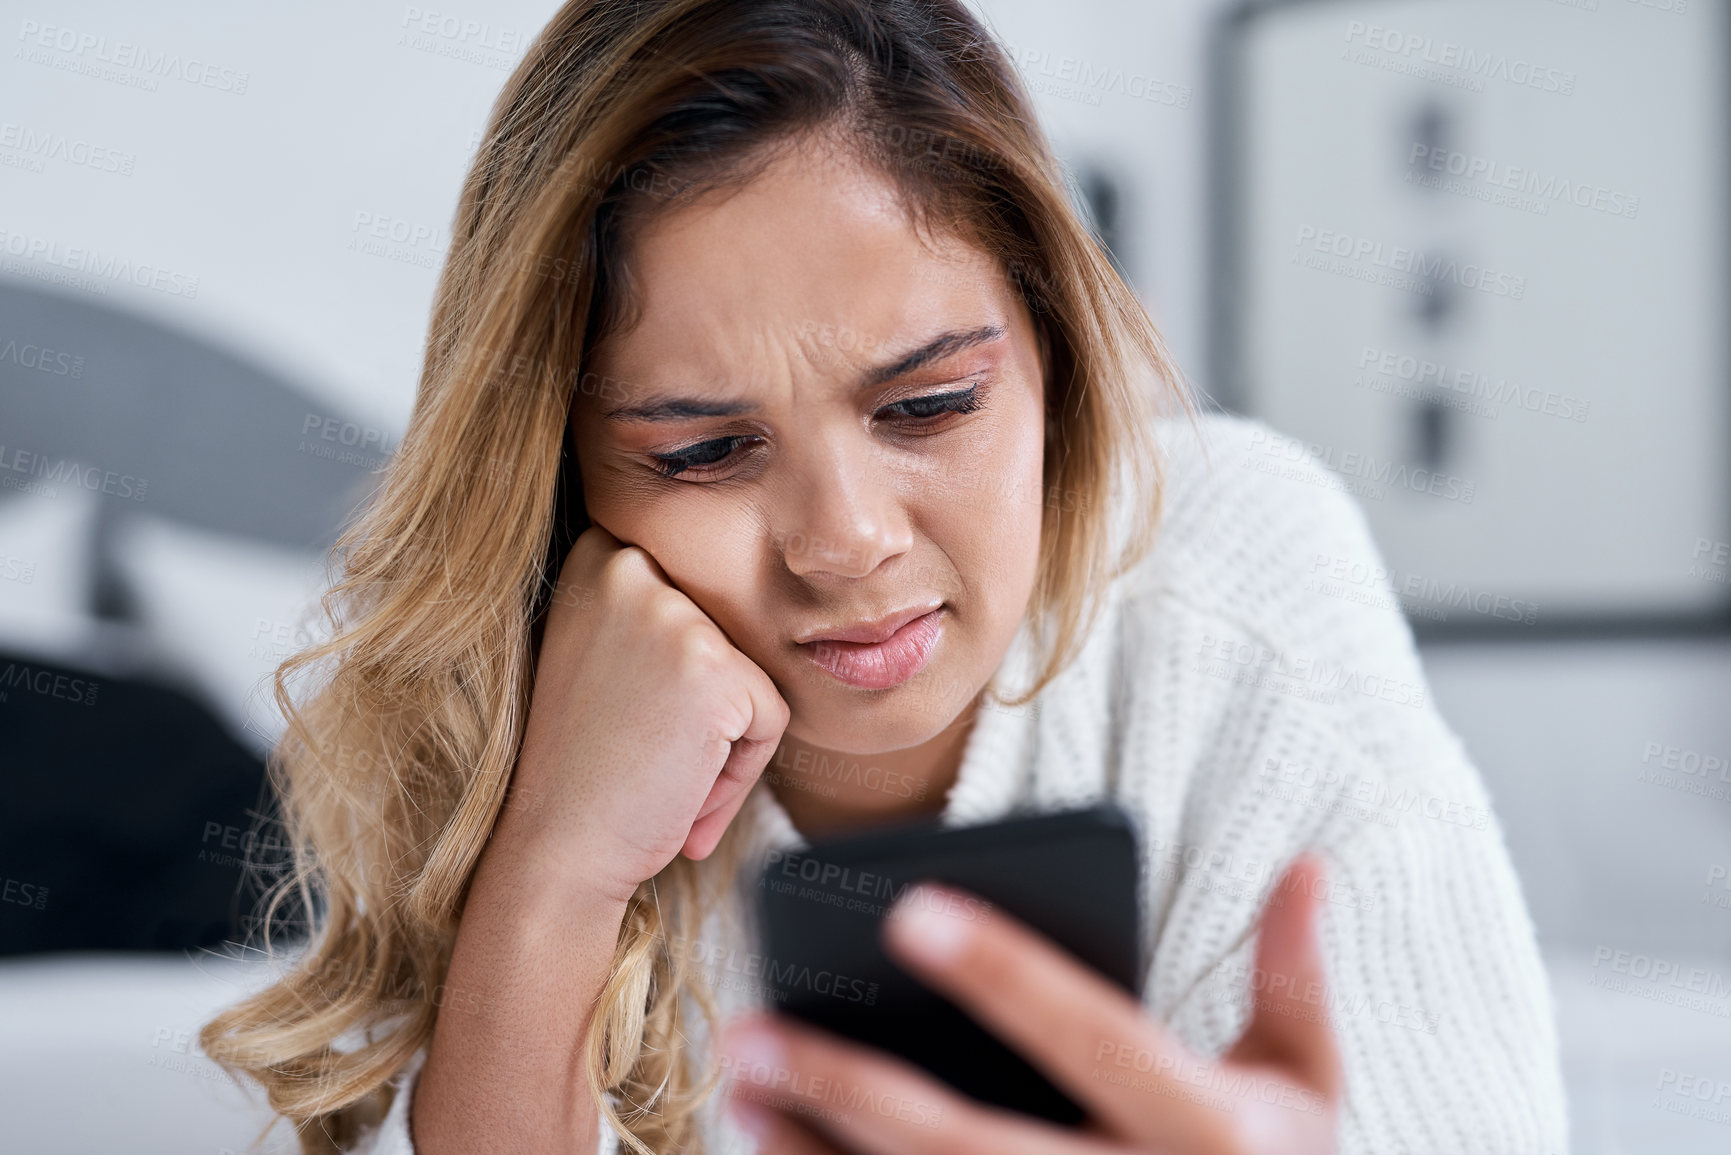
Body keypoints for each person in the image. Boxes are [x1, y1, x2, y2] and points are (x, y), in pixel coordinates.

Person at [200, 1, 1569, 1153]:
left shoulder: (1236, 571)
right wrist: (555, 873)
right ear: (557, 473)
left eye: (927, 408)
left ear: (1053, 358)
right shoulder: (493, 712)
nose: (845, 542)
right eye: (709, 449)